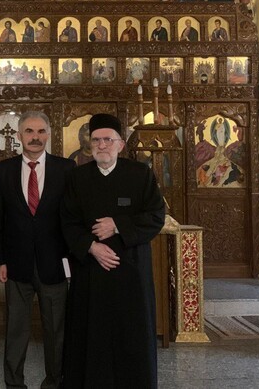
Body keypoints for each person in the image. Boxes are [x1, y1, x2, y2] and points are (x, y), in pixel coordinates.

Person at [60, 113, 165, 388]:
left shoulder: (140, 174)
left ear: (120, 144)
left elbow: (156, 216)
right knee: (90, 337)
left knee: (131, 336)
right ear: (89, 144)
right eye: (96, 140)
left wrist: (118, 225)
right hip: (91, 274)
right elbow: (67, 221)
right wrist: (91, 247)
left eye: (108, 139)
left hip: (131, 274)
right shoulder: (77, 177)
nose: (102, 145)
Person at [0, 111, 74, 389]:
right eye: (29, 131)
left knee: (56, 332)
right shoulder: (3, 170)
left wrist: (71, 260)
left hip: (54, 264)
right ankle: (13, 384)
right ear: (19, 136)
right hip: (16, 265)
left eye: (40, 132)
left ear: (48, 134)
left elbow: (72, 218)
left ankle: (54, 382)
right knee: (16, 331)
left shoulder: (66, 169)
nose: (35, 137)